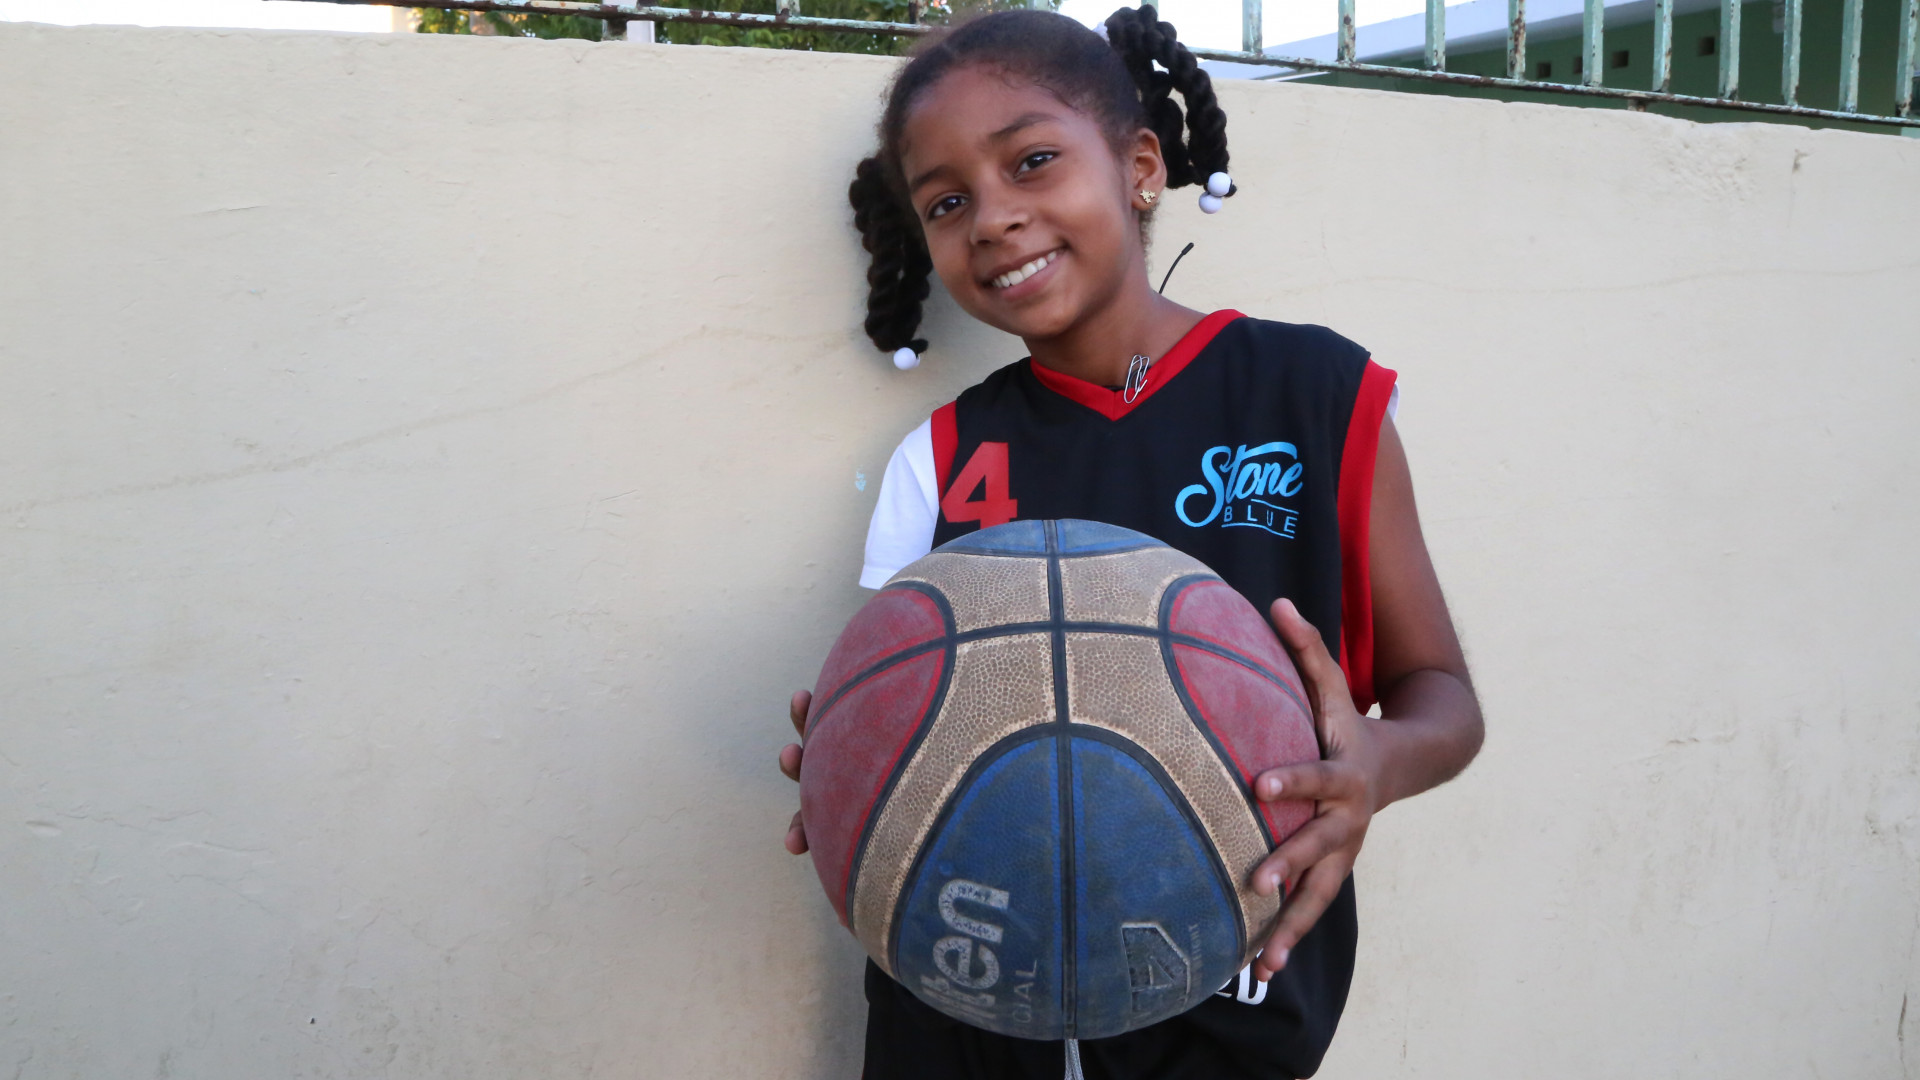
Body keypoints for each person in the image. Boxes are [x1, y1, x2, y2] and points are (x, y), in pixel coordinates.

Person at [777, 7, 1484, 1078]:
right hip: (961, 1017)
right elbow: (900, 713)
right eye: (948, 202)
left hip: (1229, 1011)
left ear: (1141, 167)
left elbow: (1445, 697)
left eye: (1033, 161)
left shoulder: (1314, 395)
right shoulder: (944, 457)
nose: (995, 218)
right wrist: (861, 757)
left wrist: (1373, 766)